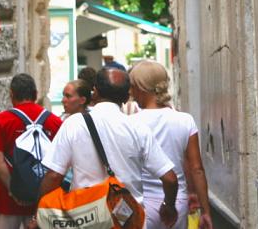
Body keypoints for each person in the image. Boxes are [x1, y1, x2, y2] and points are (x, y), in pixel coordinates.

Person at [38, 68, 181, 226]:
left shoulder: (73, 124)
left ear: (95, 92)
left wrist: (38, 214)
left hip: (87, 218)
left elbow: (53, 176)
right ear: (127, 97)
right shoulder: (138, 129)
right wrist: (169, 206)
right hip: (129, 221)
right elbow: (170, 179)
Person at [129, 61, 213, 229]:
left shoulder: (130, 123)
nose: (131, 92)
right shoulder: (185, 120)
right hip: (177, 202)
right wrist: (205, 212)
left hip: (142, 202)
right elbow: (196, 168)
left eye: (132, 87)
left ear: (140, 87)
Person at [0, 73, 63, 229]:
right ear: (36, 94)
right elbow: (60, 163)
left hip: (7, 201)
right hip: (44, 202)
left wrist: (13, 190)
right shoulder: (55, 122)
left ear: (11, 95)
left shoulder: (1, 121)